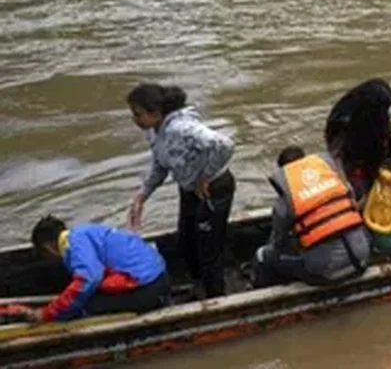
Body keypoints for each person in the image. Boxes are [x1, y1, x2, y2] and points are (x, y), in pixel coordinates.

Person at [126, 84, 235, 299]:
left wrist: (206, 174)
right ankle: (199, 286)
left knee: (208, 250)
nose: (135, 120)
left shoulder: (181, 128)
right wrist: (141, 196)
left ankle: (217, 298)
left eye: (138, 115)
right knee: (185, 241)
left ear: (155, 112)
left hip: (213, 188)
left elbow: (225, 145)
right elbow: (160, 166)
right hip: (189, 188)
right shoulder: (154, 132)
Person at [252, 147, 371, 287]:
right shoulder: (336, 181)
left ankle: (265, 291)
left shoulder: (283, 205)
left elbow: (278, 243)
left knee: (262, 255)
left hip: (326, 274)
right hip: (363, 257)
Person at [19, 216, 170, 322]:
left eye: (43, 255)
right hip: (159, 276)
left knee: (85, 307)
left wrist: (47, 313)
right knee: (81, 298)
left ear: (48, 249)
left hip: (149, 288)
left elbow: (88, 279)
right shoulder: (84, 232)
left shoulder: (75, 243)